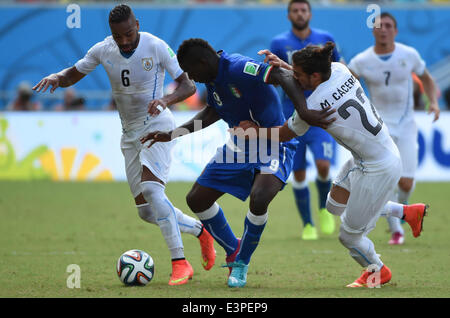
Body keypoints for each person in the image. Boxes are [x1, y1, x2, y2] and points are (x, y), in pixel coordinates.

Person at [32, 4, 216, 286]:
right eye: (118, 37)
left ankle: (180, 263)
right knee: (145, 211)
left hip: (158, 126)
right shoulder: (103, 50)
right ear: (112, 35)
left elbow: (188, 86)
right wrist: (58, 77)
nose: (125, 41)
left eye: (129, 34)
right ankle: (201, 231)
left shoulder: (156, 46)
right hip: (129, 134)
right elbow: (74, 73)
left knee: (153, 190)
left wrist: (164, 101)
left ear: (137, 25)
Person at [140, 38, 334, 288]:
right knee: (196, 199)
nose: (191, 78)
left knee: (260, 197)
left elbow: (283, 77)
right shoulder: (211, 79)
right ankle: (234, 249)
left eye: (191, 71)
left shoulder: (238, 67)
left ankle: (241, 264)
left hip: (274, 141)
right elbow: (212, 112)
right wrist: (173, 134)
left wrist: (304, 111)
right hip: (240, 145)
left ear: (203, 62)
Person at [238, 42, 428, 287]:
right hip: (369, 156)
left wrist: (254, 132)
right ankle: (405, 211)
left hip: (378, 168)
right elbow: (310, 81)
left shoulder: (316, 105)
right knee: (334, 205)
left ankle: (377, 271)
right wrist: (286, 68)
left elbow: (284, 134)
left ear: (315, 75)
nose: (293, 78)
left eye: (297, 74)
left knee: (349, 236)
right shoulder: (339, 69)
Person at [347, 12, 439, 245]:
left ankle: (405, 210)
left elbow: (426, 78)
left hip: (407, 125)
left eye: (388, 25)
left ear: (395, 31)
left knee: (406, 182)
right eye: (379, 25)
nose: (383, 29)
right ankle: (396, 229)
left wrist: (434, 102)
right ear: (373, 31)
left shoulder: (408, 55)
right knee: (386, 179)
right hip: (379, 129)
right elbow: (345, 85)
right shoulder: (361, 60)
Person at [269, 0, 343, 240]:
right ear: (289, 15)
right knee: (298, 174)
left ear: (310, 13)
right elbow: (275, 75)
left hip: (321, 110)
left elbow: (338, 68)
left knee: (323, 165)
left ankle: (323, 208)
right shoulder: (279, 43)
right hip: (293, 112)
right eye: (295, 10)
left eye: (303, 10)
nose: (300, 14)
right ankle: (308, 224)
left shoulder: (325, 37)